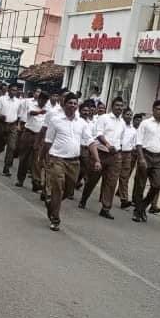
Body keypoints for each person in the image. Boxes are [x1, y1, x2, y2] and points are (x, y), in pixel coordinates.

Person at [43, 93, 101, 231]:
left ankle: (51, 203)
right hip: (57, 159)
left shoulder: (82, 123)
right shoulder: (56, 120)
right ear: (64, 104)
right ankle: (55, 219)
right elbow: (48, 141)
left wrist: (97, 160)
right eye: (70, 103)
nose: (73, 105)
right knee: (57, 187)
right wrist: (44, 158)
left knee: (69, 191)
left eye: (75, 103)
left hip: (74, 162)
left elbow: (91, 142)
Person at [80, 97, 125, 219]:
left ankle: (106, 208)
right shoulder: (103, 118)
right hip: (100, 153)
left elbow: (122, 139)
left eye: (121, 106)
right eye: (117, 105)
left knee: (111, 182)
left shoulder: (123, 123)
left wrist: (119, 151)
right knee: (92, 179)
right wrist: (107, 145)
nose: (119, 108)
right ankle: (84, 199)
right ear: (112, 106)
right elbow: (98, 134)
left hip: (115, 156)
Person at [132, 101, 160, 223]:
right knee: (140, 185)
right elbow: (138, 142)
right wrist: (141, 158)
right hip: (146, 155)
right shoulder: (145, 123)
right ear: (153, 110)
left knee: (157, 185)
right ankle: (138, 212)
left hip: (159, 158)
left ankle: (143, 206)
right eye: (158, 109)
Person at [16, 91, 50, 190]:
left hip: (39, 137)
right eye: (42, 100)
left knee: (37, 160)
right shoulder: (31, 104)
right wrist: (40, 112)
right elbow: (31, 113)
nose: (43, 103)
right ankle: (20, 179)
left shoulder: (48, 110)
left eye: (45, 101)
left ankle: (36, 182)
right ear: (39, 99)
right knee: (24, 158)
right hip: (29, 134)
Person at [0, 83, 22, 176]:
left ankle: (6, 168)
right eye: (12, 90)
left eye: (15, 90)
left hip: (12, 126)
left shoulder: (18, 102)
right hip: (1, 124)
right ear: (8, 90)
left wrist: (18, 125)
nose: (14, 92)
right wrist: (0, 115)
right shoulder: (1, 99)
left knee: (11, 147)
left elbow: (19, 115)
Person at [118, 111, 141, 209]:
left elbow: (135, 143)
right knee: (111, 176)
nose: (129, 116)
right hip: (117, 152)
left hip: (128, 154)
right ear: (123, 115)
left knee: (124, 177)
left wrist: (132, 149)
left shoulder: (134, 130)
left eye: (131, 115)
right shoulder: (119, 125)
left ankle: (124, 199)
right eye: (127, 114)